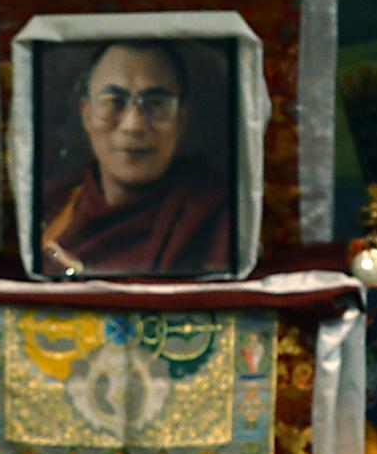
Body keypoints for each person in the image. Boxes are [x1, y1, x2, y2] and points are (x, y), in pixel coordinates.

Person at [39, 40, 232, 278]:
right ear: (86, 115)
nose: (134, 125)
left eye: (156, 103)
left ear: (181, 120)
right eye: (113, 102)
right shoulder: (51, 208)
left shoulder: (216, 213)